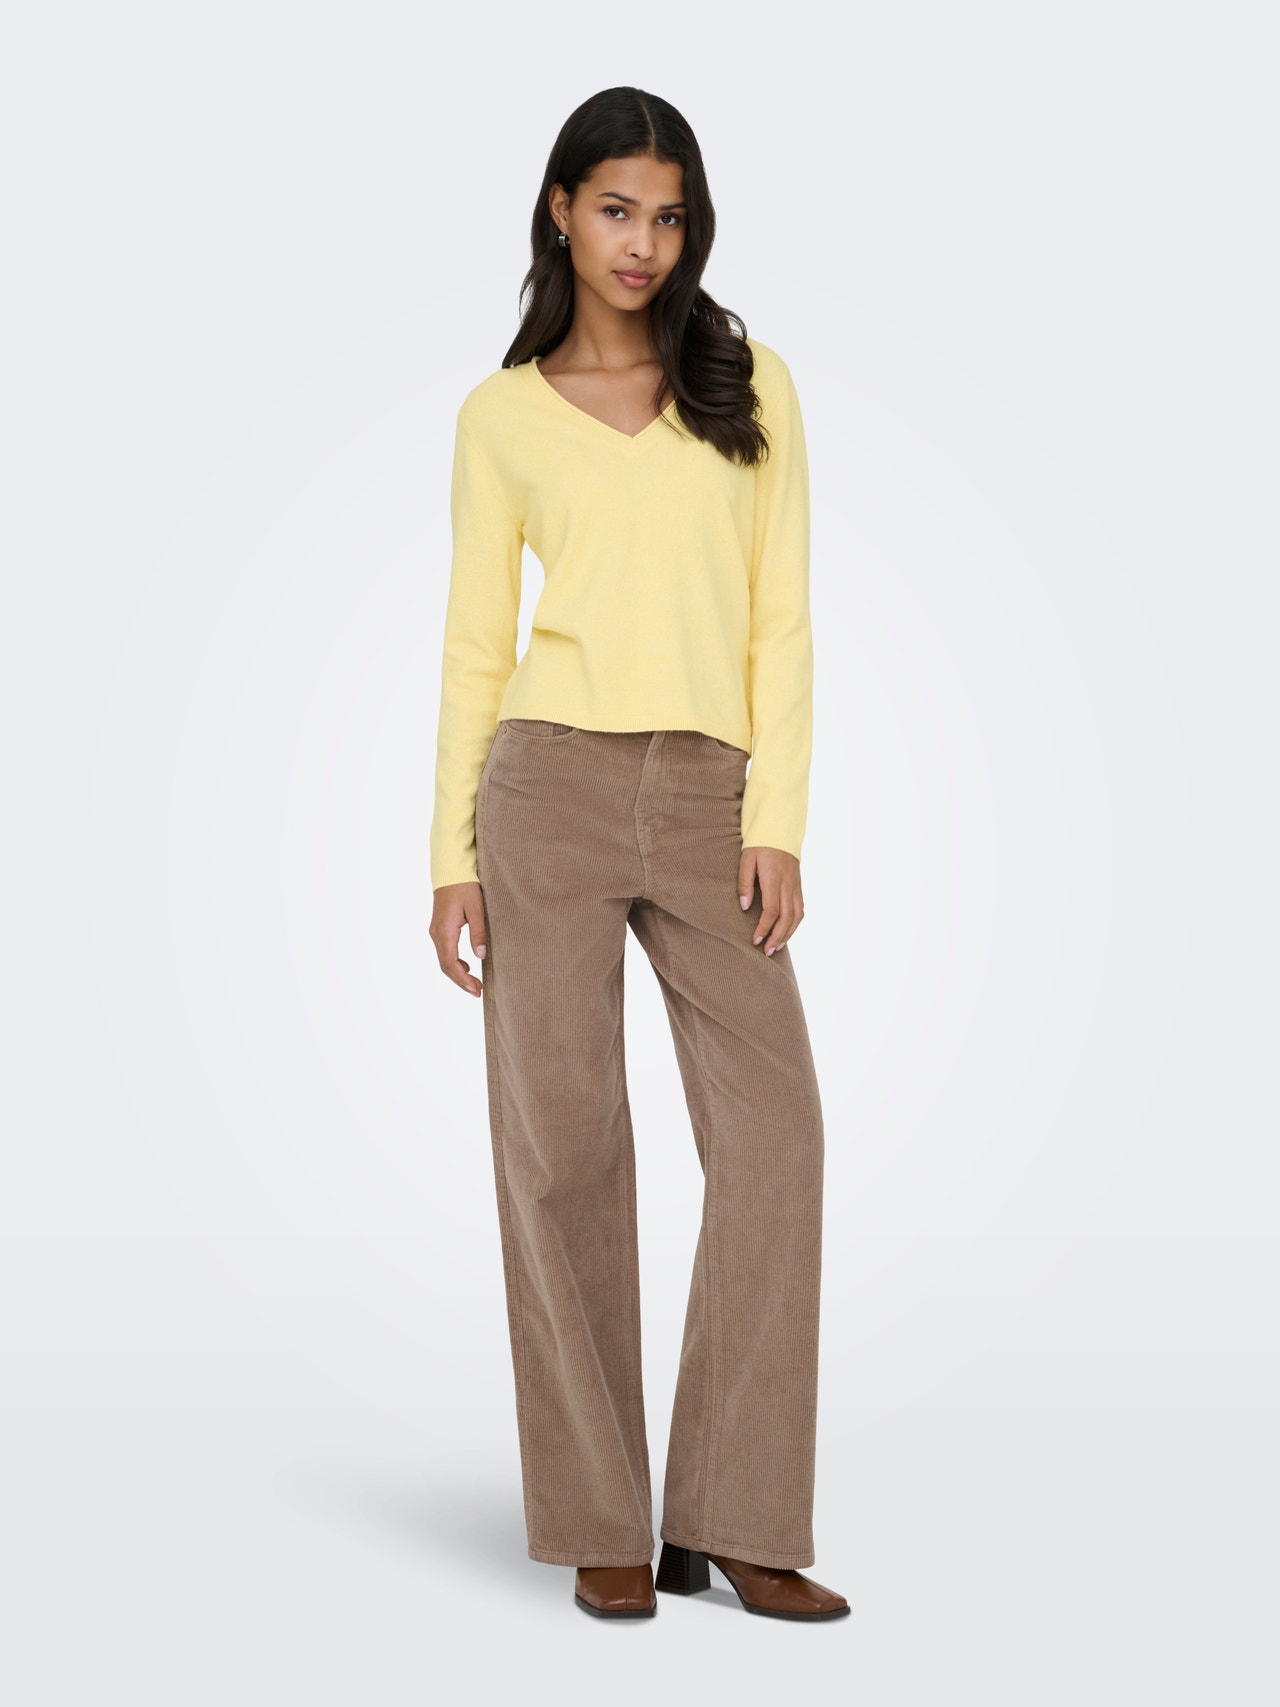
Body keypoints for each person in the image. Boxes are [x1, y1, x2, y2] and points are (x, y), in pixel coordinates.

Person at [428, 86, 848, 1623]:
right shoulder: (500, 415)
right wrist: (451, 852)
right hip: (543, 790)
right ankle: (602, 1514)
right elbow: (476, 644)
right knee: (564, 1152)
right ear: (561, 211)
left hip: (707, 801)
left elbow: (782, 614)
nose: (643, 243)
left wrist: (776, 818)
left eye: (669, 216)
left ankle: (736, 1512)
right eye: (616, 209)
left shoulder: (750, 383)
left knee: (776, 1137)